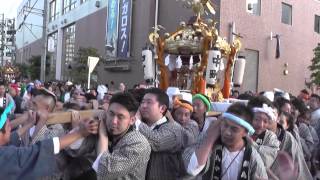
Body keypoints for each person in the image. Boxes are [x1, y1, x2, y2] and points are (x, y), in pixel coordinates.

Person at [0, 103, 98, 179]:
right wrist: (79, 133)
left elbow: (12, 139)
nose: (10, 126)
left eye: (34, 104)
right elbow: (36, 151)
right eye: (7, 124)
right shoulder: (5, 156)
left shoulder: (57, 129)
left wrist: (28, 124)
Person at [184, 103, 267, 180]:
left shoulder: (253, 156)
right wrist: (210, 138)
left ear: (245, 132)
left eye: (234, 129)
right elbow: (192, 169)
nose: (227, 132)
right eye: (225, 125)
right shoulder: (212, 147)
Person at [136, 88, 196, 179]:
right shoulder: (142, 124)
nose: (144, 106)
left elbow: (156, 141)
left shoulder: (173, 129)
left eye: (149, 102)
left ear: (162, 108)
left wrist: (135, 120)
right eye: (142, 102)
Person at [92, 92, 151, 180]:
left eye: (120, 117)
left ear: (132, 120)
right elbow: (76, 150)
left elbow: (105, 171)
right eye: (111, 114)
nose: (113, 121)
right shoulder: (106, 127)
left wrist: (103, 136)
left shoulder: (138, 143)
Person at [247, 96, 280, 168]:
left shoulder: (271, 137)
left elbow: (267, 160)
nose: (261, 125)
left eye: (265, 121)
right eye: (256, 119)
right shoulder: (240, 131)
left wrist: (251, 144)